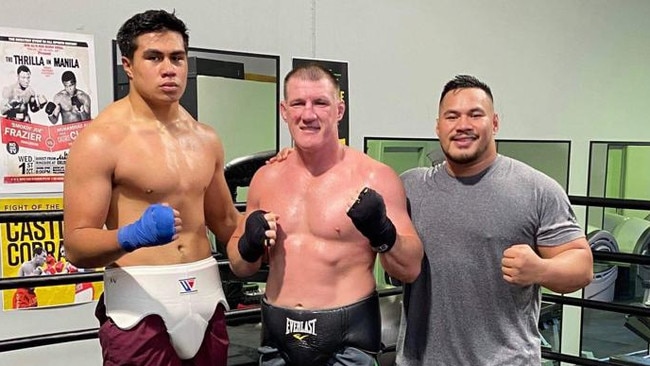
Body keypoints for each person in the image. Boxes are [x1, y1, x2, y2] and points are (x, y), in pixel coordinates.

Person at [63, 9, 241, 366]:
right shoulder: (101, 140)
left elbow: (226, 223)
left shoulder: (206, 138)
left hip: (207, 300)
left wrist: (261, 228)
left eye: (177, 57)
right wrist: (133, 235)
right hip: (140, 310)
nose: (168, 68)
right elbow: (76, 246)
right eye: (154, 57)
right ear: (128, 65)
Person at [226, 63, 423, 366]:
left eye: (320, 103)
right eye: (298, 103)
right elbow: (240, 267)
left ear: (339, 110)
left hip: (348, 344)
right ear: (284, 110)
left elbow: (410, 268)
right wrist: (248, 243)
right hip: (277, 340)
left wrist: (384, 231)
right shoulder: (266, 179)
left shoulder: (375, 177)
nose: (308, 114)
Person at [396, 74, 594, 366]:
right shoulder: (409, 188)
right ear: (438, 126)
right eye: (452, 116)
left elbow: (582, 265)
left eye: (475, 115)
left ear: (495, 123)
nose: (463, 125)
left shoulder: (537, 189)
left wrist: (541, 269)